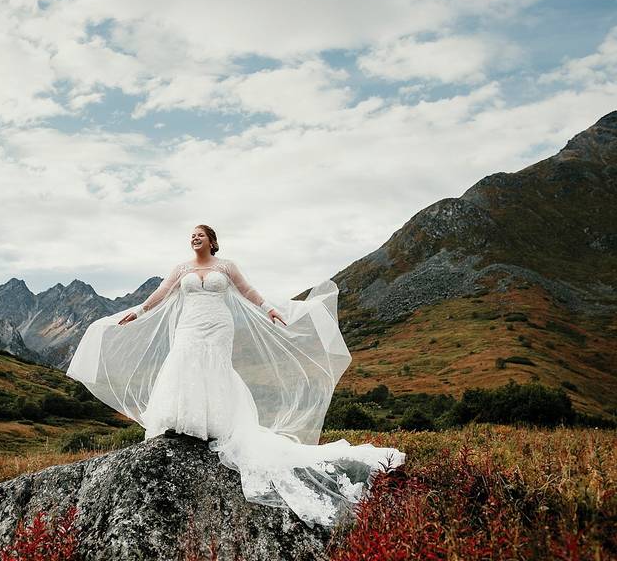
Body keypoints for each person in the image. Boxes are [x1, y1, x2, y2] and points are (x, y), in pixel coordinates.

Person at [66, 224, 405, 527]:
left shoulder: (226, 268)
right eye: (191, 235)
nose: (194, 238)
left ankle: (215, 423)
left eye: (200, 235)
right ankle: (185, 420)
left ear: (212, 242)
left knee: (213, 367)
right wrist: (137, 311)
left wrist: (270, 309)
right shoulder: (181, 269)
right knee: (184, 361)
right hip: (189, 326)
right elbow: (162, 294)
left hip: (218, 326)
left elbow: (248, 291)